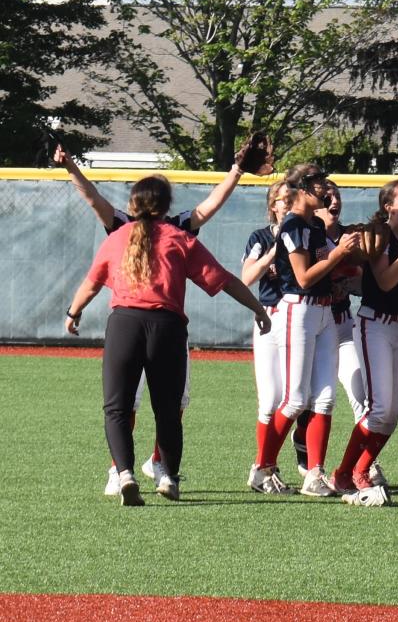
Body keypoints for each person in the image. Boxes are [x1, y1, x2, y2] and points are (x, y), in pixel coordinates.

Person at [55, 143, 253, 495]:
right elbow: (222, 275)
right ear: (165, 205)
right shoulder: (178, 235)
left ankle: (124, 472)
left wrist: (73, 312)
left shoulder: (118, 233)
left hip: (125, 325)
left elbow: (91, 270)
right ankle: (167, 476)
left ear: (133, 204)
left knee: (117, 407)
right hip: (168, 328)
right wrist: (258, 308)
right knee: (168, 408)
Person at [249, 164, 361, 496]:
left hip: (325, 310)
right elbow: (303, 277)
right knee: (295, 398)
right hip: (298, 309)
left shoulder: (313, 224)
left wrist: (350, 251)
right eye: (318, 185)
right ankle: (262, 467)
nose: (326, 190)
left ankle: (314, 473)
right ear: (302, 189)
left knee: (325, 399)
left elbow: (327, 263)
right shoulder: (295, 223)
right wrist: (339, 252)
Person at [326, 178, 398, 496]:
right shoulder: (380, 236)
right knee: (379, 409)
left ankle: (360, 469)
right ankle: (343, 473)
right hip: (375, 325)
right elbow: (384, 282)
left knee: (393, 414)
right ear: (388, 207)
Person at [241, 181, 290, 488]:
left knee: (295, 399)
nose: (288, 203)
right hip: (271, 318)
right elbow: (247, 276)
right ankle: (263, 467)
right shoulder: (261, 237)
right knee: (270, 400)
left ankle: (269, 465)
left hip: (302, 318)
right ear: (273, 205)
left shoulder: (308, 235)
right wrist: (273, 254)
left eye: (291, 198)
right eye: (283, 199)